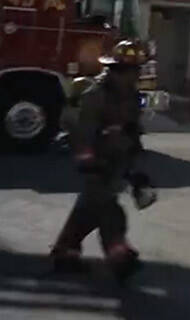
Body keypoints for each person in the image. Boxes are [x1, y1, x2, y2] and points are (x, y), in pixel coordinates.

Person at [50, 39, 150, 281]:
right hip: (98, 162)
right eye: (130, 71)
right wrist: (89, 161)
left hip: (118, 161)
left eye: (137, 70)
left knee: (88, 210)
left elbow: (132, 131)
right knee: (109, 211)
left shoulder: (131, 97)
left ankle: (65, 253)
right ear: (116, 71)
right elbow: (83, 131)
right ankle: (120, 258)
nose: (135, 75)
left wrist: (136, 168)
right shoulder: (96, 95)